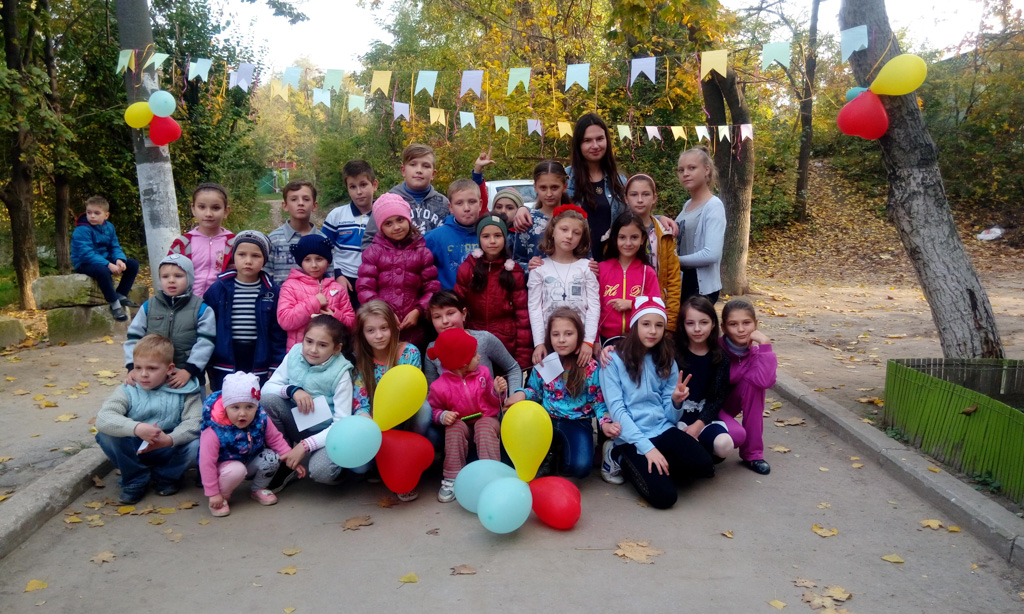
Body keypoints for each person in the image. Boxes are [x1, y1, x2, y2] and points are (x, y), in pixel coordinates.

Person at [599, 296, 715, 509]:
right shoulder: (613, 360)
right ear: (635, 325)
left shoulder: (665, 357)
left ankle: (658, 465)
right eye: (646, 324)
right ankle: (616, 455)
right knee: (665, 497)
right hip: (631, 437)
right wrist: (646, 448)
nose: (652, 331)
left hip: (661, 428)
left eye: (659, 325)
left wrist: (676, 402)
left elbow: (670, 416)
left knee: (705, 467)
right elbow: (617, 410)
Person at [95, 334, 202, 504]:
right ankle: (135, 480)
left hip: (168, 446)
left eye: (152, 368)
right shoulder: (128, 389)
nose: (143, 374)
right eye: (138, 368)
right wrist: (136, 428)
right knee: (106, 434)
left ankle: (167, 476)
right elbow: (103, 418)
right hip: (136, 446)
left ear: (169, 368)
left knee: (198, 444)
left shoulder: (186, 391)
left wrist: (169, 439)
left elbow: (195, 422)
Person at [505, 308, 606, 480]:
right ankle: (549, 453)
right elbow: (534, 391)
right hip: (546, 420)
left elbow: (597, 400)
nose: (561, 340)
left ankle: (559, 454)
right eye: (556, 334)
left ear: (579, 335)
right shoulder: (548, 362)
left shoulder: (589, 367)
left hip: (577, 422)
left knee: (579, 468)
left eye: (568, 334)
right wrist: (521, 394)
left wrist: (605, 421)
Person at [262, 315, 362, 488]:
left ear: (337, 349)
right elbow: (267, 389)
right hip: (298, 424)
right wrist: (291, 390)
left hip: (329, 434)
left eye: (322, 345)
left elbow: (341, 424)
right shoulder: (295, 353)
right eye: (309, 341)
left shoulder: (341, 373)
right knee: (268, 400)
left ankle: (341, 467)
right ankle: (285, 461)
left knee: (321, 473)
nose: (313, 349)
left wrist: (305, 446)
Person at [198, 371, 305, 517]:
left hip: (248, 460)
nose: (243, 413)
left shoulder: (260, 418)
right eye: (235, 407)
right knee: (236, 470)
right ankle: (221, 497)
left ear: (256, 406)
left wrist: (291, 459)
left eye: (249, 407)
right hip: (223, 468)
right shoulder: (214, 429)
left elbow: (276, 439)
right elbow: (206, 463)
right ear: (225, 406)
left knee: (272, 457)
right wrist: (212, 493)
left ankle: (258, 489)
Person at [351, 300, 426, 501]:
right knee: (359, 468)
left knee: (425, 410)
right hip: (376, 424)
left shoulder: (409, 353)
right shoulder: (361, 363)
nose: (379, 335)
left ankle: (409, 460)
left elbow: (411, 393)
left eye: (384, 328)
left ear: (393, 328)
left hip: (405, 421)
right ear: (362, 334)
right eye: (371, 330)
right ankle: (379, 464)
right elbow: (360, 402)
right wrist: (365, 417)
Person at [427, 328, 504, 503]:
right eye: (475, 354)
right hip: (462, 423)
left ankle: (491, 475)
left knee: (484, 426)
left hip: (486, 419)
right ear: (462, 363)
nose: (479, 357)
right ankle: (452, 477)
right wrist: (443, 416)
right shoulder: (439, 386)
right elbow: (434, 410)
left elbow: (493, 403)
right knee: (454, 428)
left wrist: (497, 391)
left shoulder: (483, 373)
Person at [203, 230, 286, 391]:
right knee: (225, 401)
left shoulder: (272, 291)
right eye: (242, 254)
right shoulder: (219, 289)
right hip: (226, 357)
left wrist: (276, 364)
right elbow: (207, 327)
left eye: (256, 256)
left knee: (254, 399)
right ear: (234, 256)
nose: (248, 261)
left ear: (265, 259)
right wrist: (209, 361)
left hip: (258, 357)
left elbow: (278, 333)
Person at [356, 194, 440, 347]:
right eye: (388, 223)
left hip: (415, 327)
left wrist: (419, 310)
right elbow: (364, 288)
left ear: (408, 219)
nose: (396, 227)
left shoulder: (422, 252)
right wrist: (383, 313)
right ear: (381, 227)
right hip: (382, 328)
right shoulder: (373, 253)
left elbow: (432, 288)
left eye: (400, 220)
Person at [124, 255, 215, 391]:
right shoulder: (149, 306)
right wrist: (132, 367)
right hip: (152, 376)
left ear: (189, 278)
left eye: (178, 276)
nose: (171, 281)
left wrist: (189, 370)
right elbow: (133, 338)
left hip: (187, 377)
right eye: (165, 277)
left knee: (191, 410)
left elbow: (206, 343)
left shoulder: (202, 309)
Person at [454, 215, 532, 369]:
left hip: (506, 345)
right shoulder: (467, 268)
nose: (492, 241)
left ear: (505, 237)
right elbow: (457, 308)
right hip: (474, 344)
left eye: (497, 235)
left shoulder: (513, 271)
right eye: (486, 236)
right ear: (479, 238)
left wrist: (522, 359)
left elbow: (522, 317)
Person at [527, 204, 600, 367]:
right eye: (564, 229)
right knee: (551, 386)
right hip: (551, 342)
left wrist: (588, 342)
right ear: (553, 230)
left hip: (580, 345)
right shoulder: (539, 268)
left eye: (576, 233)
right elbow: (534, 308)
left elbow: (593, 307)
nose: (569, 236)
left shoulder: (586, 267)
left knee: (581, 385)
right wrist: (539, 343)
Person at [719, 299, 778, 475]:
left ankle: (753, 454)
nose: (741, 329)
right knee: (733, 435)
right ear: (724, 327)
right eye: (733, 324)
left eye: (746, 323)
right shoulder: (715, 349)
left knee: (755, 386)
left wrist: (766, 346)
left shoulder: (755, 353)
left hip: (727, 407)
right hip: (708, 406)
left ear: (755, 325)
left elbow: (765, 382)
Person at [424, 291, 522, 391]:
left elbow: (513, 368)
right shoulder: (432, 350)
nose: (445, 321)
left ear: (463, 314)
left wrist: (514, 398)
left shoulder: (484, 339)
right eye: (437, 317)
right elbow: (431, 391)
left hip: (489, 405)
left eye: (450, 313)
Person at [675, 296, 733, 462]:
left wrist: (698, 426)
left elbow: (717, 399)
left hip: (704, 419)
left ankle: (702, 452)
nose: (697, 329)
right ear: (682, 325)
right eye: (690, 323)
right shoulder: (674, 354)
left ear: (713, 323)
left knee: (724, 445)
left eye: (704, 322)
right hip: (676, 418)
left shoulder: (720, 358)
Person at [360, 143, 451, 248]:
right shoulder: (386, 202)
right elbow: (369, 240)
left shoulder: (444, 203)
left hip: (435, 263)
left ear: (433, 174)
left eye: (426, 166)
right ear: (403, 171)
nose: (419, 170)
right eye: (413, 164)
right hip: (396, 263)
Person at [277, 234, 355, 350]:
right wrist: (314, 303)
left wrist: (336, 315)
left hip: (331, 355)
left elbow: (352, 324)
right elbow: (285, 320)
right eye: (307, 260)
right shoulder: (290, 286)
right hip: (299, 353)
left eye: (319, 259)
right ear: (300, 262)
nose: (314, 265)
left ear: (328, 261)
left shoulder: (337, 288)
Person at [625, 174, 681, 332]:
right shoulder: (617, 233)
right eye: (634, 195)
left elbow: (673, 280)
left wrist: (669, 324)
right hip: (625, 310)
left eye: (646, 194)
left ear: (654, 198)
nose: (640, 200)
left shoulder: (664, 234)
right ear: (626, 198)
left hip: (656, 309)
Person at [71, 195, 139, 321]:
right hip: (84, 263)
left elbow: (114, 246)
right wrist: (108, 264)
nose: (92, 216)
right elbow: (86, 253)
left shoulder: (109, 227)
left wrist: (119, 260)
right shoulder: (82, 230)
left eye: (97, 213)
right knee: (103, 271)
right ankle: (114, 304)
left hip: (103, 259)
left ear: (106, 215)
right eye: (89, 212)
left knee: (132, 264)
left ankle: (120, 294)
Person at [598, 211, 661, 346]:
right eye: (622, 237)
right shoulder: (602, 269)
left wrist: (632, 304)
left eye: (634, 237)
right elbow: (593, 307)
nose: (628, 243)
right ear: (615, 238)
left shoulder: (647, 272)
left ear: (642, 239)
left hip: (637, 340)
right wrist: (595, 341)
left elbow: (656, 306)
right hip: (605, 340)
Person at [323, 160, 378, 308]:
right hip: (343, 279)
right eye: (352, 187)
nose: (358, 192)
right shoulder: (337, 215)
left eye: (363, 185)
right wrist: (337, 274)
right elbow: (324, 250)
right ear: (347, 189)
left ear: (374, 185)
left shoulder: (383, 216)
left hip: (374, 281)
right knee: (344, 323)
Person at [675, 146, 726, 305]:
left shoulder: (713, 205)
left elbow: (711, 254)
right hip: (683, 282)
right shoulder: (687, 205)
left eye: (692, 168)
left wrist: (673, 260)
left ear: (706, 170)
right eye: (681, 170)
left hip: (700, 286)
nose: (685, 174)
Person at [168, 183, 235, 298]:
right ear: (193, 209)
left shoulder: (234, 243)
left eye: (215, 208)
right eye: (202, 207)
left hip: (223, 304)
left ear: (226, 211)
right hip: (188, 305)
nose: (208, 214)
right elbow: (169, 275)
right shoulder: (182, 244)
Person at [509, 160, 570, 273]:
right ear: (535, 187)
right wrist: (529, 267)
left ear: (565, 187)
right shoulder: (527, 220)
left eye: (554, 187)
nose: (549, 194)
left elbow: (585, 256)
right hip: (536, 288)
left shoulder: (575, 219)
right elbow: (517, 262)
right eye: (543, 188)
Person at [426, 178, 482, 290]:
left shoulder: (489, 234)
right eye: (459, 203)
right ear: (450, 207)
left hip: (482, 301)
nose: (466, 208)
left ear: (480, 204)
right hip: (450, 302)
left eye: (472, 202)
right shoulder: (435, 238)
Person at [268, 179, 325, 285]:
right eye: (294, 199)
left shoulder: (323, 240)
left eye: (306, 199)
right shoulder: (273, 239)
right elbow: (266, 276)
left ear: (314, 205)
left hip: (316, 299)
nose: (300, 203)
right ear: (285, 206)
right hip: (281, 299)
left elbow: (328, 278)